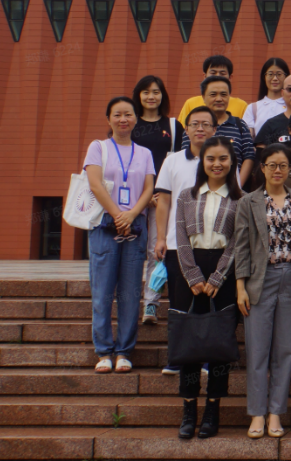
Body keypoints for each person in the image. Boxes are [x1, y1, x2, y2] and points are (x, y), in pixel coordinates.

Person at [170, 136, 242, 440]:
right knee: (189, 343)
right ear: (203, 162)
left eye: (223, 158)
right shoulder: (186, 196)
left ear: (232, 162)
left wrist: (217, 277)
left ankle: (213, 411)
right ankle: (189, 410)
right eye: (211, 158)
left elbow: (238, 241)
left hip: (224, 273)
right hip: (189, 273)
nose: (217, 164)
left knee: (219, 345)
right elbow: (180, 236)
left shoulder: (241, 199)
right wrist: (192, 274)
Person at [234, 144, 291, 439]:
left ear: (290, 169)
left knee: (285, 349)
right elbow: (240, 246)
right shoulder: (248, 201)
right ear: (262, 168)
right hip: (259, 280)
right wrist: (240, 286)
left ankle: (276, 412)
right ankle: (257, 413)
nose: (278, 170)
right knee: (257, 349)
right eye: (272, 165)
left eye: (283, 165)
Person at [86, 96, 156, 375]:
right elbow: (94, 183)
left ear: (136, 119)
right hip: (105, 223)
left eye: (128, 114)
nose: (123, 119)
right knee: (102, 291)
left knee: (130, 291)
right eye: (117, 114)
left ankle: (124, 351)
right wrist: (118, 214)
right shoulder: (98, 147)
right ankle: (104, 351)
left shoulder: (144, 152)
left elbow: (149, 188)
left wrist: (131, 214)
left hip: (135, 224)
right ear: (109, 119)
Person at [152, 106, 217, 375]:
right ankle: (177, 358)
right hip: (177, 244)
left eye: (206, 124)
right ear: (186, 129)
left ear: (214, 129)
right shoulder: (172, 161)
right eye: (194, 124)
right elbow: (163, 202)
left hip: (213, 244)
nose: (200, 128)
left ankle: (206, 358)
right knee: (179, 303)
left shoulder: (224, 160)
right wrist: (160, 238)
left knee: (207, 303)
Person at [131, 75, 178, 325]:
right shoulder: (130, 124)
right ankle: (128, 301)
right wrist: (144, 194)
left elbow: (180, 161)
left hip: (163, 197)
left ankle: (151, 302)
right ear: (138, 96)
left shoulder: (173, 126)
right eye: (146, 92)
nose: (151, 96)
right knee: (133, 251)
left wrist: (162, 192)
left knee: (156, 250)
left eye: (156, 92)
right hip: (132, 200)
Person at [177, 75, 255, 187]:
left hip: (233, 188)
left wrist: (237, 186)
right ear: (203, 97)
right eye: (213, 94)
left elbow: (248, 157)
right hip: (198, 188)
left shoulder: (240, 125)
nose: (219, 99)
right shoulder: (194, 126)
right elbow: (187, 156)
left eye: (223, 94)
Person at [177, 55, 248, 126]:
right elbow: (184, 129)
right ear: (205, 76)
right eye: (213, 73)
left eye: (222, 73)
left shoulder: (241, 105)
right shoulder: (190, 103)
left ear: (230, 78)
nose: (217, 76)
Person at [243, 58, 289, 136]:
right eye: (270, 74)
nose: (275, 78)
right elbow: (247, 137)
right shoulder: (253, 108)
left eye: (279, 74)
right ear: (264, 77)